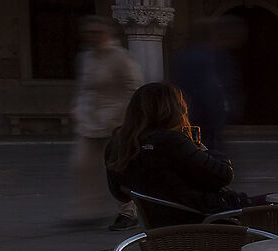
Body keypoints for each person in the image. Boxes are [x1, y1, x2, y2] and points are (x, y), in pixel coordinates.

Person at [106, 82, 247, 221]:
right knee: (267, 205)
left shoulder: (116, 145)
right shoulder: (172, 142)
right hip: (203, 224)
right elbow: (223, 175)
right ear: (172, 109)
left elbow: (120, 194)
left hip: (159, 228)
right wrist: (206, 152)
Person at [71, 18, 143, 228]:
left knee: (117, 168)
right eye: (88, 32)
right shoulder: (86, 57)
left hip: (115, 122)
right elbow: (85, 87)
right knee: (82, 165)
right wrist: (78, 108)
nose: (91, 37)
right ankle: (88, 211)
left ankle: (128, 213)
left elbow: (134, 87)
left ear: (107, 33)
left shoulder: (121, 57)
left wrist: (125, 118)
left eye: (96, 32)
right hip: (89, 121)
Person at [172, 15, 245, 154]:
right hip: (206, 117)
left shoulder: (182, 56)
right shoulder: (211, 57)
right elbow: (211, 90)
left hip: (188, 115)